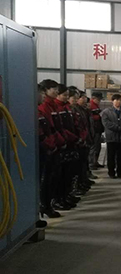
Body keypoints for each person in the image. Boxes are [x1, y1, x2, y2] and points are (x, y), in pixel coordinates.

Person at [38, 82, 63, 218]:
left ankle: (48, 205)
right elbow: (43, 133)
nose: (56, 92)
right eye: (54, 89)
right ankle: (45, 205)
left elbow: (54, 128)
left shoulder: (52, 106)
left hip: (53, 146)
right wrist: (51, 145)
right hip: (46, 149)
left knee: (53, 177)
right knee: (45, 180)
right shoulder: (42, 108)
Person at [101, 94, 121, 179]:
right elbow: (106, 123)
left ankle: (120, 172)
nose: (118, 102)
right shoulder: (106, 112)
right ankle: (111, 172)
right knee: (111, 156)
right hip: (111, 137)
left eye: (120, 100)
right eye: (116, 100)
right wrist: (116, 127)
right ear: (112, 101)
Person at [89, 92, 104, 170]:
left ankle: (95, 161)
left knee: (98, 146)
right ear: (93, 98)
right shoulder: (90, 105)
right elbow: (91, 118)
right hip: (94, 129)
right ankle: (91, 163)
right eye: (98, 99)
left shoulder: (96, 105)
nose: (99, 101)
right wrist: (99, 116)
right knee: (94, 147)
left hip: (98, 129)